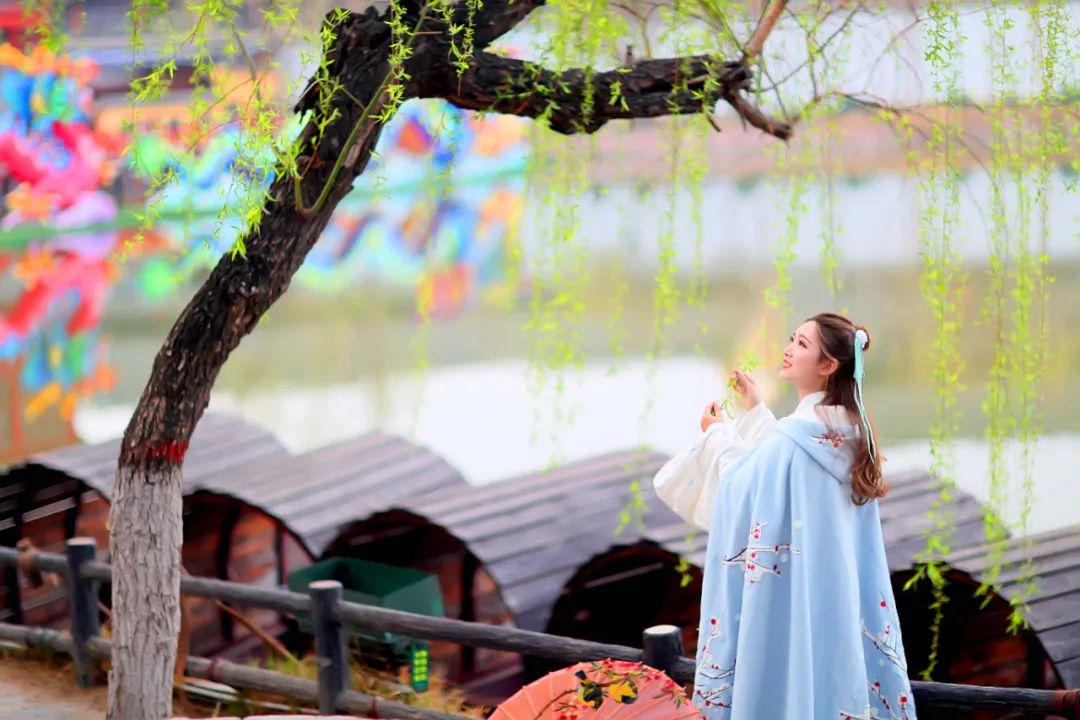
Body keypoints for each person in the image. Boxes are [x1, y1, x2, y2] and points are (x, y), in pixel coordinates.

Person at [653, 312, 915, 720]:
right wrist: (757, 412)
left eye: (803, 344)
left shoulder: (795, 438)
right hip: (834, 597)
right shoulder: (852, 433)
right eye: (793, 338)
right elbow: (779, 466)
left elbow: (742, 489)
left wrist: (716, 434)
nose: (789, 349)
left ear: (828, 366)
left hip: (791, 599)